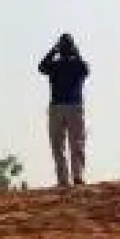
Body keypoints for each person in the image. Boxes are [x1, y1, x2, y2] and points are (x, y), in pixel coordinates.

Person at [38, 33, 90, 187]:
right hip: (73, 106)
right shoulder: (76, 64)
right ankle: (76, 176)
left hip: (58, 107)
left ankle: (65, 179)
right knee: (76, 143)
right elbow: (86, 70)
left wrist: (53, 50)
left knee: (59, 145)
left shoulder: (55, 65)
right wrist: (76, 52)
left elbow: (41, 66)